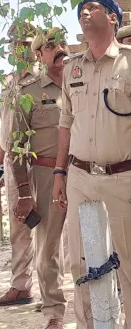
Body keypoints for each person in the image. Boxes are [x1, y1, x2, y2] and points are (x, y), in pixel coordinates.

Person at [52, 0, 131, 329]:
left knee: (130, 264)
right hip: (80, 177)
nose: (86, 12)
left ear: (114, 18)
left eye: (94, 7)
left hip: (125, 177)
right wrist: (59, 173)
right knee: (81, 262)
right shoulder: (71, 67)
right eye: (82, 10)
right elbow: (66, 123)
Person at [7, 28, 69, 328]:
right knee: (49, 249)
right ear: (39, 55)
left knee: (90, 242)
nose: (59, 49)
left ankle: (94, 307)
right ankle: (54, 312)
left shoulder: (83, 83)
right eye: (50, 46)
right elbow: (17, 147)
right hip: (45, 175)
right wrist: (23, 192)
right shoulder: (28, 92)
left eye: (62, 43)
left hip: (84, 171)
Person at [0, 20, 39, 307]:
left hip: (40, 162)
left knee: (49, 230)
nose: (20, 49)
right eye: (15, 44)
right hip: (13, 164)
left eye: (25, 44)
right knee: (19, 227)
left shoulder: (43, 80)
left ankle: (53, 290)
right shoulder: (9, 83)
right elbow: (4, 128)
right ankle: (21, 286)